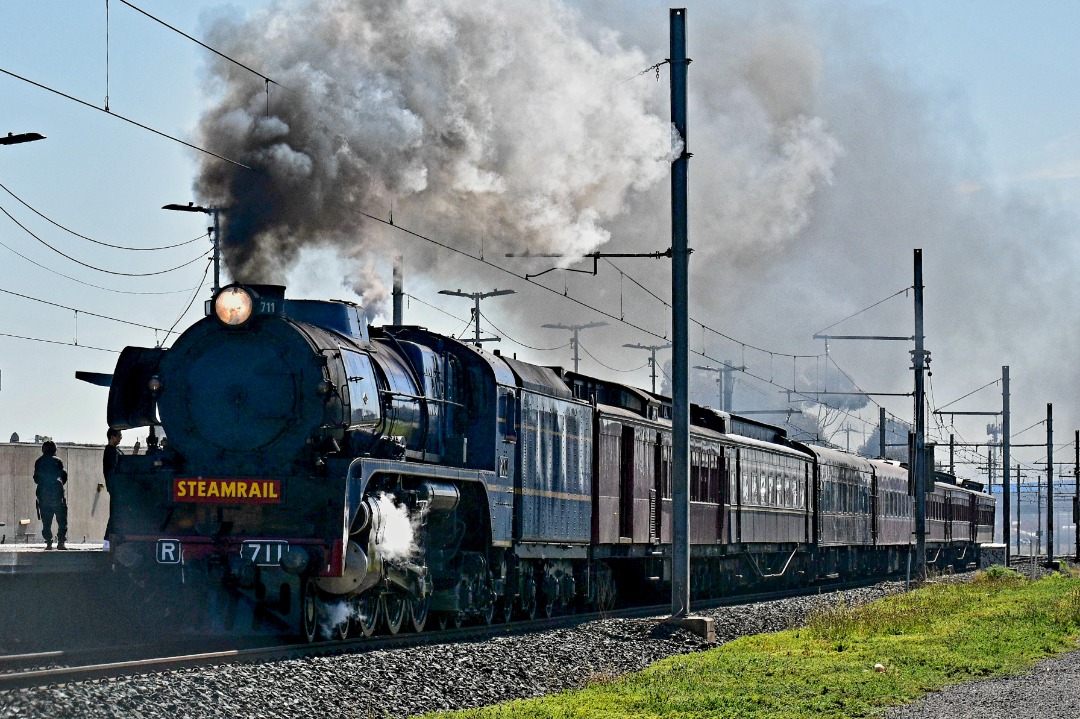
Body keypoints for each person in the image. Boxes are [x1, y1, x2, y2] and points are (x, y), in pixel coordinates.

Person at [33, 440, 68, 550]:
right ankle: (61, 542)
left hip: (44, 496)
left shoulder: (39, 462)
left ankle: (49, 542)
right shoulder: (58, 461)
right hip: (57, 496)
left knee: (46, 522)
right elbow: (63, 476)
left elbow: (36, 478)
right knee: (62, 521)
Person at [103, 428, 122, 548]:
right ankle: (107, 540)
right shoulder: (110, 451)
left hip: (116, 487)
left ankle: (108, 540)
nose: (121, 437)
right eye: (119, 435)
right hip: (116, 487)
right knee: (114, 514)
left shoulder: (115, 451)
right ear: (112, 437)